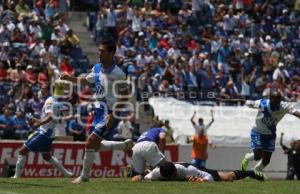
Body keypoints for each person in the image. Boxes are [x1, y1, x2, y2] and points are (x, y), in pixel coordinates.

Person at [60, 40, 133, 183]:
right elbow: (88, 81)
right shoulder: (97, 68)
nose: (100, 53)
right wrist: (70, 78)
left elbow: (125, 97)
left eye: (103, 51)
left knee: (89, 144)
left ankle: (85, 177)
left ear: (112, 53)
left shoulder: (119, 74)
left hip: (109, 112)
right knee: (94, 146)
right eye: (99, 50)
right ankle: (124, 145)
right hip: (98, 111)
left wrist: (112, 116)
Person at [12, 80, 74, 178]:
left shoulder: (49, 100)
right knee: (47, 156)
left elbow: (50, 116)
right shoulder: (56, 101)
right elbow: (51, 117)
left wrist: (38, 124)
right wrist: (36, 120)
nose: (41, 90)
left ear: (49, 91)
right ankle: (66, 174)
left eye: (43, 88)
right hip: (50, 133)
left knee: (22, 151)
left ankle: (16, 177)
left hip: (44, 133)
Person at [241, 90, 300, 172]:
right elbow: (244, 101)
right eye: (275, 101)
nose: (277, 104)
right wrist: (222, 100)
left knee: (266, 161)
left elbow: (296, 112)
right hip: (258, 132)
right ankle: (247, 157)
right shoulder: (261, 103)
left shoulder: (284, 106)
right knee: (258, 155)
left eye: (278, 101)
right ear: (270, 99)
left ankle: (254, 173)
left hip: (270, 134)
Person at [141, 161, 267, 182]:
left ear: (175, 172)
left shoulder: (188, 171)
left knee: (228, 178)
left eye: (173, 176)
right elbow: (147, 176)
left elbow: (208, 177)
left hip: (199, 170)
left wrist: (203, 180)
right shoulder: (158, 173)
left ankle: (251, 172)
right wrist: (141, 177)